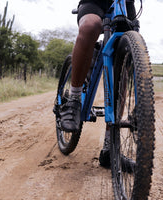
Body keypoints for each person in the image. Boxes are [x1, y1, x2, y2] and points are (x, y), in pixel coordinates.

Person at [60, 0, 136, 167]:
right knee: (90, 26)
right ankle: (74, 99)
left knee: (124, 56)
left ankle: (110, 148)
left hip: (125, 2)